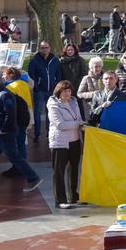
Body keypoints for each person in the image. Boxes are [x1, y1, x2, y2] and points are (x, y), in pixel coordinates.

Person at [0, 80, 41, 192]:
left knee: (15, 158)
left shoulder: (5, 95)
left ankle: (33, 178)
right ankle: (33, 178)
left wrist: (4, 130)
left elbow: (10, 114)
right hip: (2, 132)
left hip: (5, 133)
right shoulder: (3, 94)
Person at [47, 80, 84, 208]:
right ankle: (60, 200)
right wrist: (78, 124)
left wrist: (83, 125)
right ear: (58, 92)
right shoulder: (53, 105)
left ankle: (74, 196)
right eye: (64, 91)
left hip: (75, 141)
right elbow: (60, 124)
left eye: (69, 91)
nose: (67, 93)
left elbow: (78, 118)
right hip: (60, 143)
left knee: (74, 170)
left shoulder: (74, 102)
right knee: (59, 172)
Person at [27, 40, 62, 143]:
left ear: (50, 48)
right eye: (42, 48)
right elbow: (31, 75)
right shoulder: (34, 60)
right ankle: (37, 134)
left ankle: (49, 133)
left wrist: (56, 86)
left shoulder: (55, 60)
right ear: (39, 49)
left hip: (52, 91)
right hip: (39, 92)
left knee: (50, 113)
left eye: (46, 47)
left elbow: (58, 74)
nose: (45, 49)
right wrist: (36, 87)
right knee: (37, 114)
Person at [59, 43, 87, 109]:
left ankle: (81, 118)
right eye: (68, 50)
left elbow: (84, 73)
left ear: (75, 50)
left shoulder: (80, 60)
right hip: (66, 86)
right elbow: (60, 74)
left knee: (78, 104)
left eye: (71, 50)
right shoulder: (62, 61)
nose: (70, 51)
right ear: (65, 51)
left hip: (78, 86)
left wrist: (78, 83)